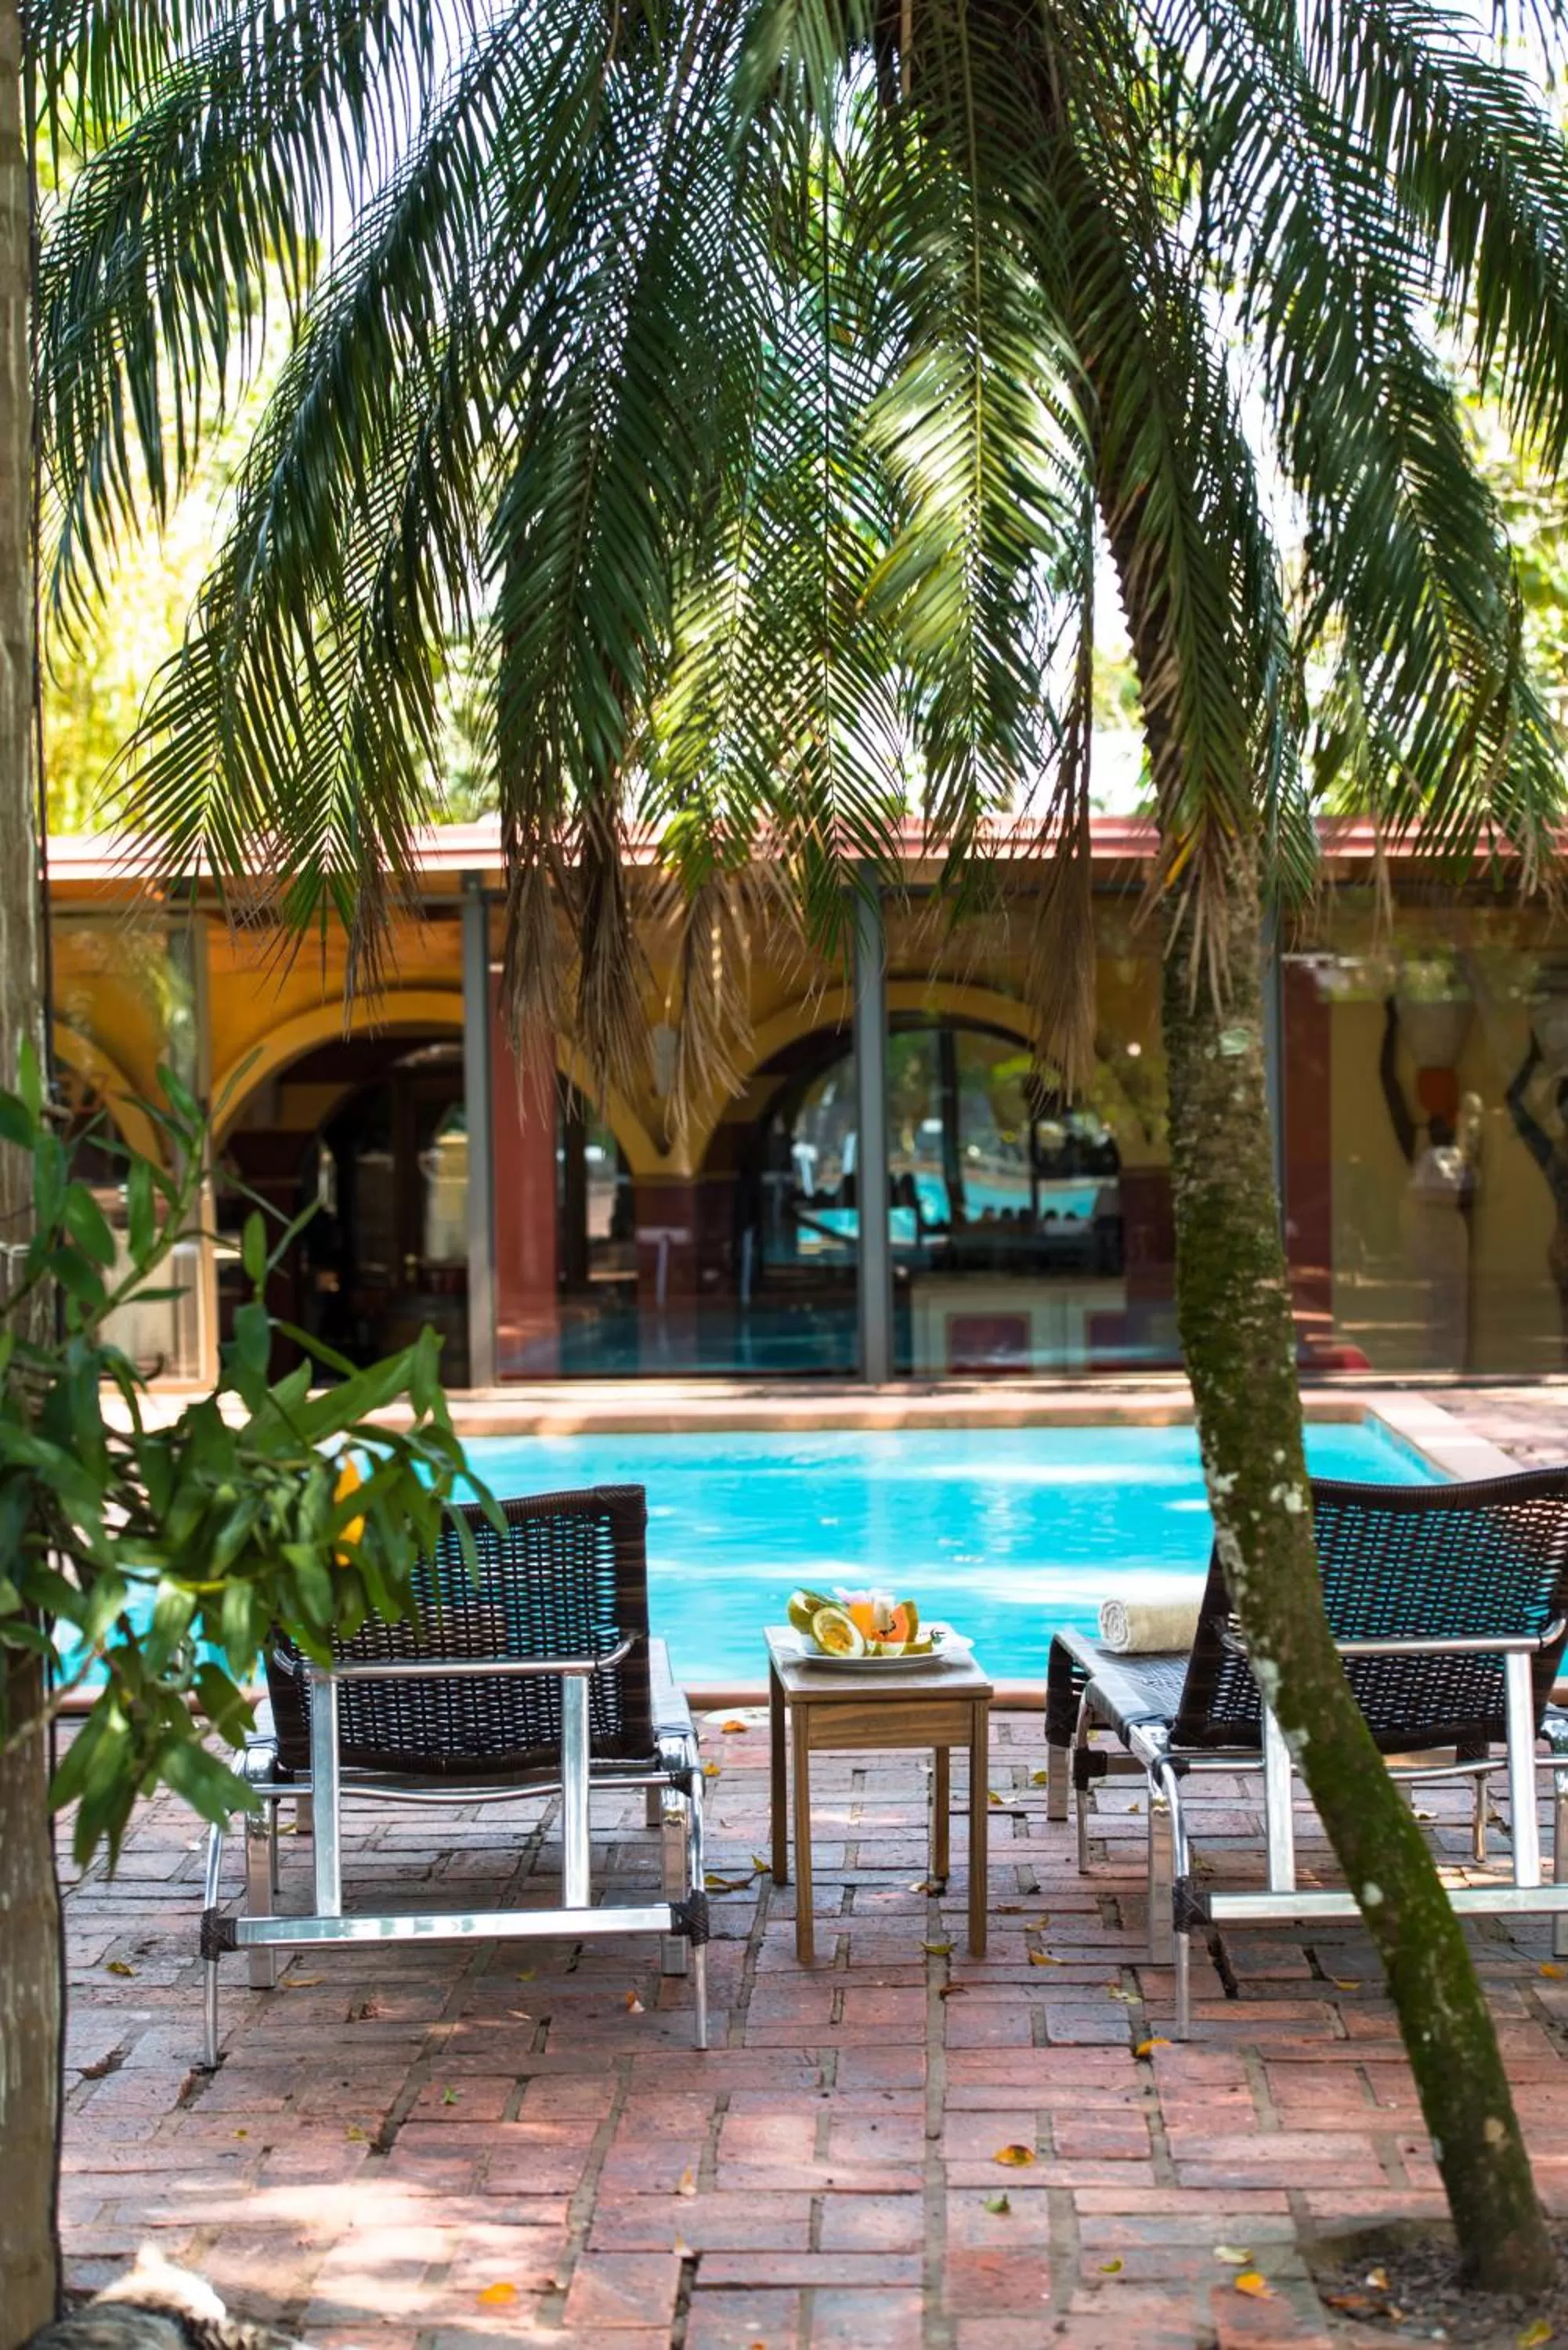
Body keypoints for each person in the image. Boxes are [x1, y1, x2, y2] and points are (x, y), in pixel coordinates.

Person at [1379, 999, 1478, 1371]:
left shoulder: (1465, 1143)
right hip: (1425, 1228)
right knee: (1427, 1300)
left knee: (1454, 1302)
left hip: (1452, 1231)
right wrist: (1391, 1025)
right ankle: (1430, 1365)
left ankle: (1452, 1366)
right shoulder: (1418, 1139)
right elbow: (1388, 1084)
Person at [1505, 1030, 1568, 1360]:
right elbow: (1516, 1107)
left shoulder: (1555, 1160)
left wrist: (1533, 1060)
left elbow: (1517, 1107)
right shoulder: (1556, 1161)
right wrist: (1533, 1060)